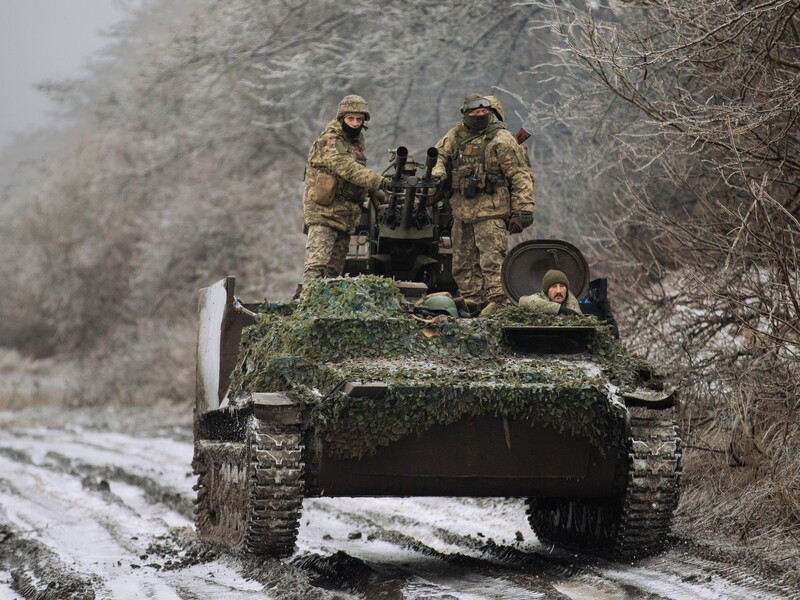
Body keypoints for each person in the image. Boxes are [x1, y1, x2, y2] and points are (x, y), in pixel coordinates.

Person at [431, 93, 534, 316]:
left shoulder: (502, 140)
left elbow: (520, 175)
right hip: (462, 213)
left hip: (491, 212)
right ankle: (472, 306)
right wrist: (438, 172)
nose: (479, 115)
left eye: (483, 112)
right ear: (465, 114)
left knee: (492, 262)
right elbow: (438, 154)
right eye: (474, 112)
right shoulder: (456, 135)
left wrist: (523, 209)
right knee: (462, 266)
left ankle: (497, 306)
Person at [301, 94, 388, 294]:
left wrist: (378, 192)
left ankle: (327, 308)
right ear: (342, 118)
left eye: (359, 119)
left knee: (334, 272)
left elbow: (356, 175)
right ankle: (307, 307)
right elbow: (348, 168)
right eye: (351, 119)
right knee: (317, 265)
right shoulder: (330, 140)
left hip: (345, 214)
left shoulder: (355, 142)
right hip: (324, 212)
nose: (355, 123)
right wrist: (379, 182)